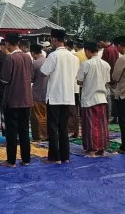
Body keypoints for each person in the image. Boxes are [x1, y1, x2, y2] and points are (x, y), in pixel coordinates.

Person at [40, 29, 79, 164]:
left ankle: (54, 157)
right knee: (63, 127)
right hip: (68, 95)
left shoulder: (54, 56)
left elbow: (44, 72)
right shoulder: (73, 57)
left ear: (55, 39)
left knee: (53, 127)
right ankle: (65, 156)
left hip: (55, 96)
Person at [0, 34, 33, 167]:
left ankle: (11, 160)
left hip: (13, 99)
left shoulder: (10, 58)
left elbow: (5, 79)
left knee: (12, 131)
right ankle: (26, 159)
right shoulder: (27, 57)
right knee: (24, 130)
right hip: (26, 98)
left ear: (8, 44)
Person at [76, 42, 111, 157]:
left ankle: (92, 149)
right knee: (101, 125)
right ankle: (101, 149)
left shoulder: (86, 64)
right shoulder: (106, 64)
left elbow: (79, 81)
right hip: (102, 98)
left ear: (87, 51)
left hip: (90, 98)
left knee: (90, 125)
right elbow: (107, 81)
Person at [100, 36, 120, 122]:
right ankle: (115, 117)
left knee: (110, 98)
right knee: (115, 98)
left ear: (103, 41)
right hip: (114, 77)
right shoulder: (113, 49)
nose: (99, 44)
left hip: (110, 78)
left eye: (99, 42)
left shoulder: (108, 50)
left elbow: (109, 64)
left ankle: (111, 116)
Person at [30, 44, 48, 141]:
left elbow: (30, 79)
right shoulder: (48, 61)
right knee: (46, 115)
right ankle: (47, 134)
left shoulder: (35, 63)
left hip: (38, 93)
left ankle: (39, 136)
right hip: (49, 93)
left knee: (37, 116)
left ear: (33, 53)